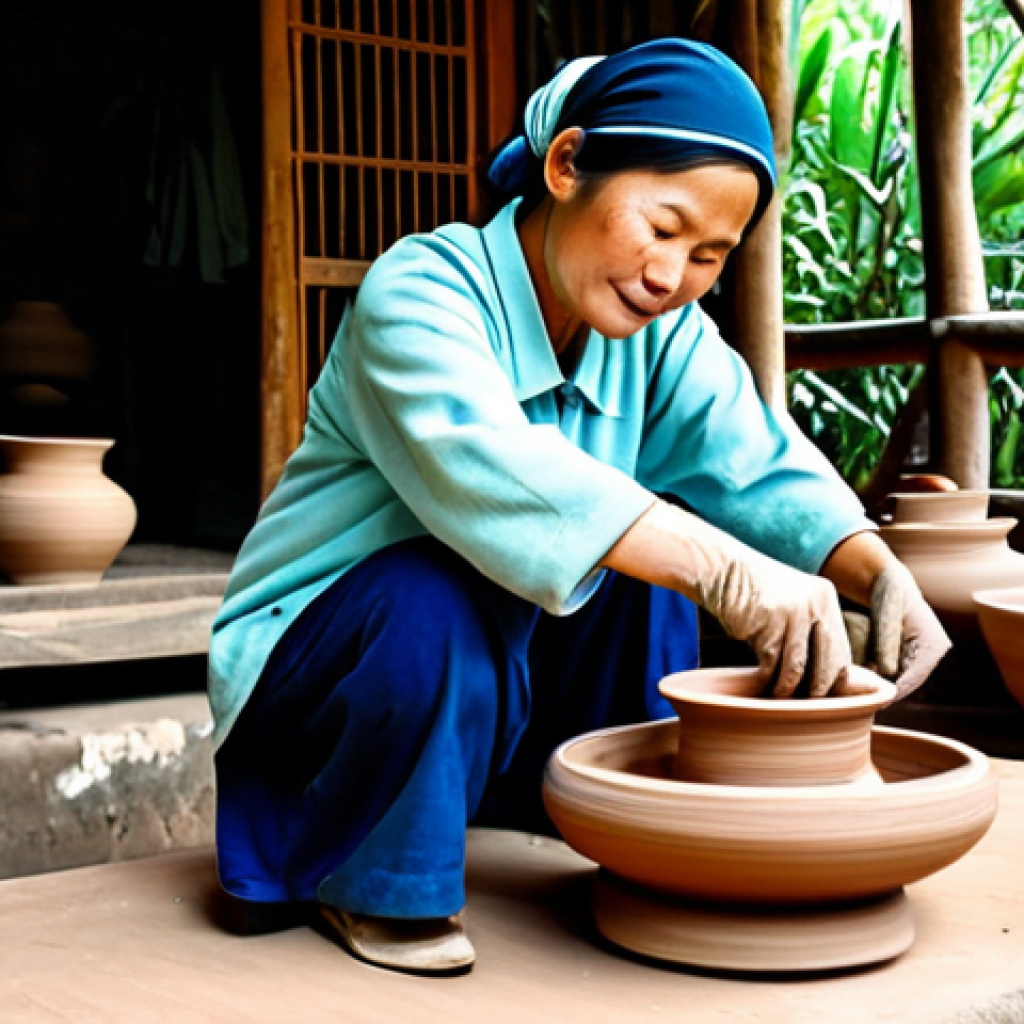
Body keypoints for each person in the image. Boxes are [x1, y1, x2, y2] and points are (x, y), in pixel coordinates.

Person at [208, 39, 949, 975]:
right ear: (566, 165)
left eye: (710, 254)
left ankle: (601, 826)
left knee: (644, 575)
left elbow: (757, 464)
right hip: (322, 667)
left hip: (499, 659)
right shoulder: (424, 289)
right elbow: (497, 477)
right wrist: (729, 571)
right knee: (439, 592)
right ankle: (382, 886)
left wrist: (876, 570)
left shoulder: (663, 338)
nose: (673, 274)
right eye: (664, 225)